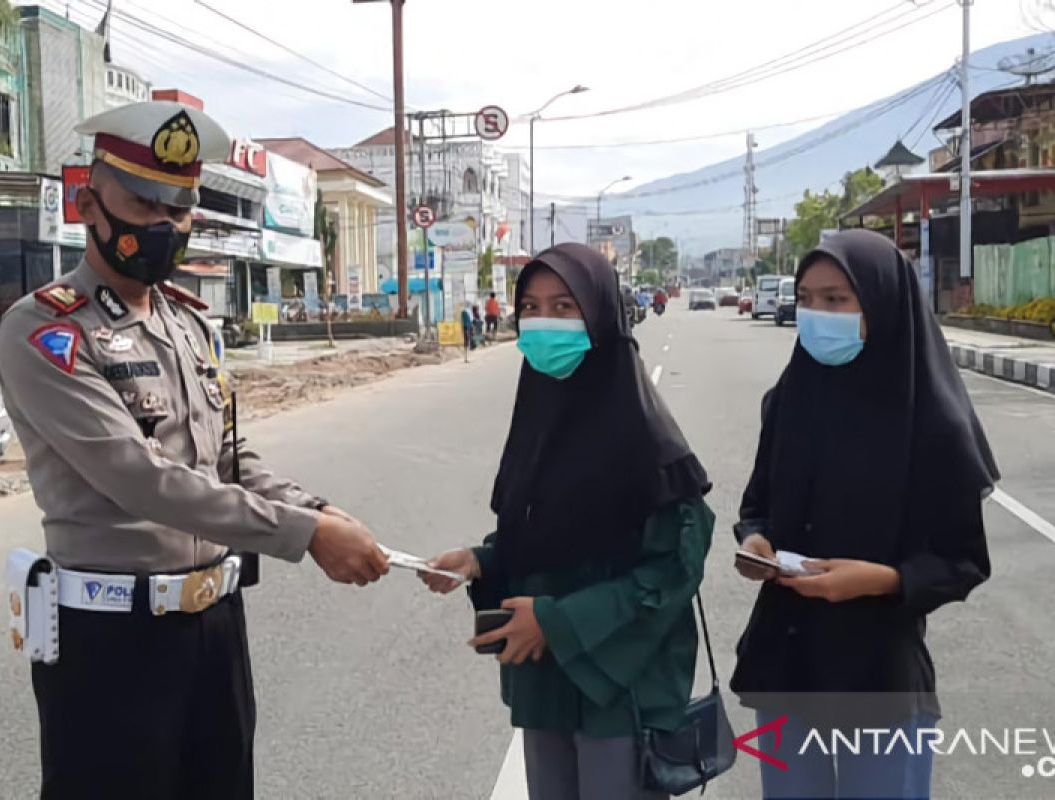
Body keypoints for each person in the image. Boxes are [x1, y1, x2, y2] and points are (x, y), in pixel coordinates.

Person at [0, 100, 390, 799]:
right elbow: (140, 479)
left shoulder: (188, 323)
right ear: (89, 203)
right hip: (110, 643)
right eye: (144, 203)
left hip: (214, 627)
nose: (164, 225)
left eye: (180, 208)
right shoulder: (45, 332)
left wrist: (319, 509)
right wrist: (305, 535)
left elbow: (228, 458)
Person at [421, 243, 714, 800]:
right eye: (530, 307)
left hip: (618, 692)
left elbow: (674, 570)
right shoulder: (537, 421)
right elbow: (538, 536)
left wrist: (557, 622)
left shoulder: (649, 442)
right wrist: (480, 561)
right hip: (547, 685)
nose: (542, 323)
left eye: (563, 307)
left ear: (601, 316)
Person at [730, 229, 998, 800]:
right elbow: (757, 507)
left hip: (879, 675)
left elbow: (962, 560)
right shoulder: (789, 399)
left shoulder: (931, 423)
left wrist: (880, 580)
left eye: (835, 300)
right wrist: (755, 544)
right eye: (805, 298)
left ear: (880, 305)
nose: (814, 314)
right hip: (785, 664)